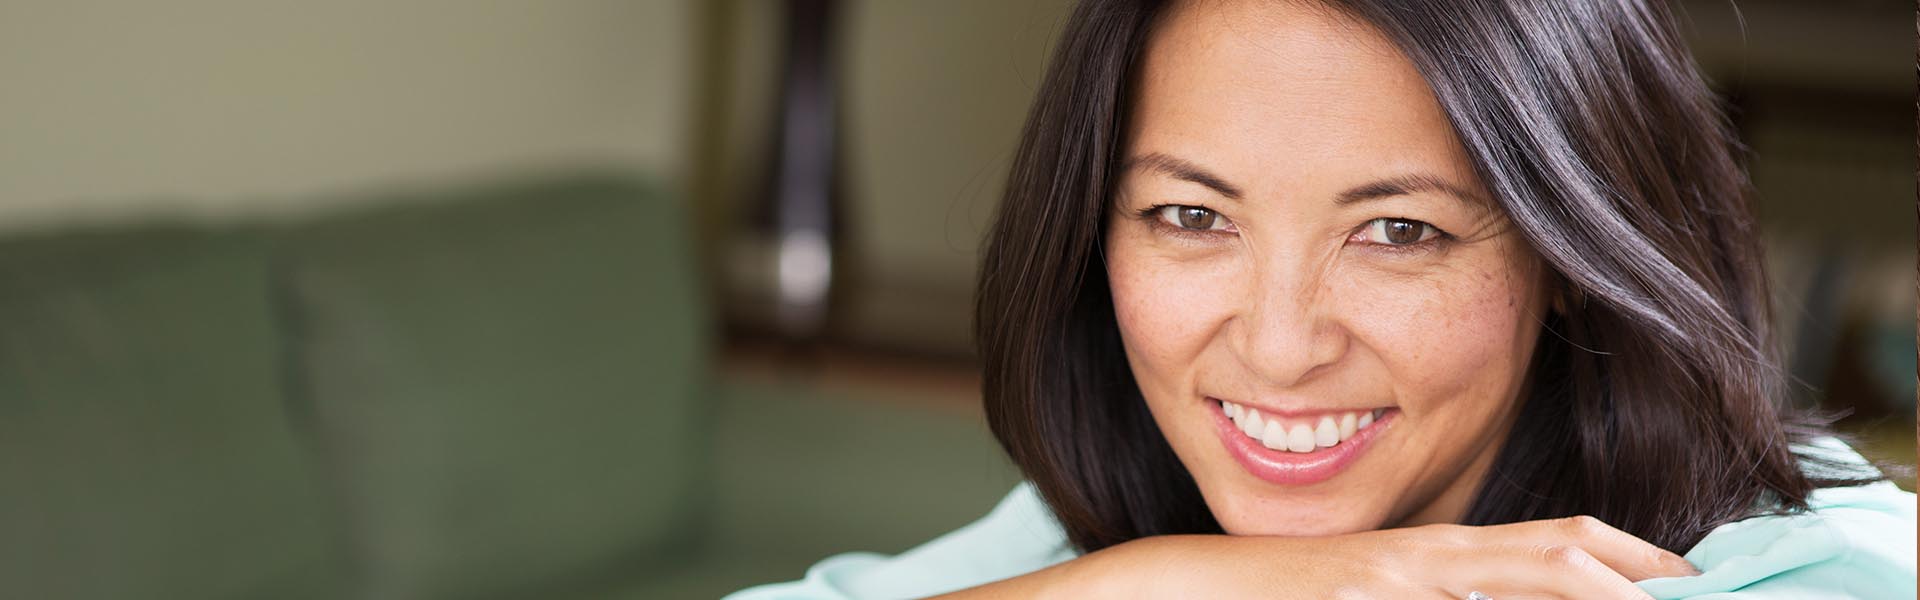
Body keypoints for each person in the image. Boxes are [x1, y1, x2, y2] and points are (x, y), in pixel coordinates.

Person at [729, 0, 1917, 597]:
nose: (1281, 348)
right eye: (1191, 216)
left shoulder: (1823, 570)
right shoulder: (1120, 546)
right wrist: (1179, 579)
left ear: (1568, 256)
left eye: (1400, 232)